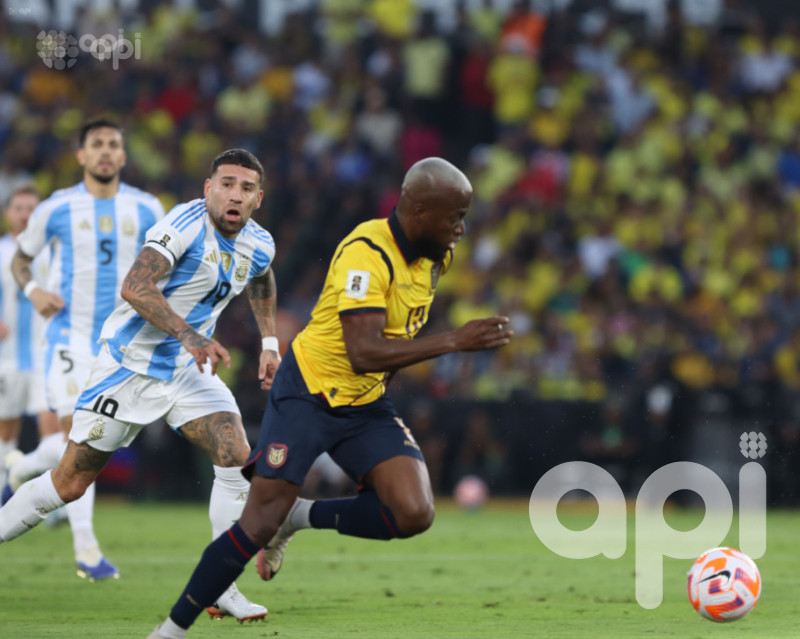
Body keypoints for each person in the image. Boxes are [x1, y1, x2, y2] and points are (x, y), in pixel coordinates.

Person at [146, 156, 513, 639]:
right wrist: (453, 341)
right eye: (454, 217)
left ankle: (298, 516)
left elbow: (381, 350)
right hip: (309, 392)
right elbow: (363, 352)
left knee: (414, 512)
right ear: (419, 211)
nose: (461, 229)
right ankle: (169, 632)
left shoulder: (435, 254)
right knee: (256, 522)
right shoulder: (366, 252)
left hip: (364, 402)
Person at [0, 148, 279, 622]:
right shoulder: (184, 224)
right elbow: (135, 286)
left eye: (246, 188)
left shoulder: (260, 242)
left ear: (258, 198)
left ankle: (221, 587)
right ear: (208, 189)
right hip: (127, 366)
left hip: (185, 371)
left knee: (236, 458)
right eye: (227, 184)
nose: (235, 194)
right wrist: (192, 336)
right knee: (68, 483)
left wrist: (269, 339)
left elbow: (260, 276)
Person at [2, 118, 164, 581]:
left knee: (85, 446)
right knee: (82, 436)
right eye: (97, 145)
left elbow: (172, 265)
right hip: (70, 338)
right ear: (82, 156)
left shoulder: (148, 208)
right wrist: (32, 290)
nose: (106, 152)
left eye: (114, 144)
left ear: (124, 155)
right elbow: (20, 257)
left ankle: (22, 469)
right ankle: (88, 552)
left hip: (123, 345)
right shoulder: (58, 208)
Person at [0, 186, 60, 479]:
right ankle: (5, 489)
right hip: (6, 357)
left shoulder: (52, 253)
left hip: (45, 355)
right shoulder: (0, 251)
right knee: (5, 433)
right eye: (19, 208)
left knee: (51, 427)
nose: (25, 214)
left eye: (31, 209)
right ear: (8, 213)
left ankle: (53, 501)